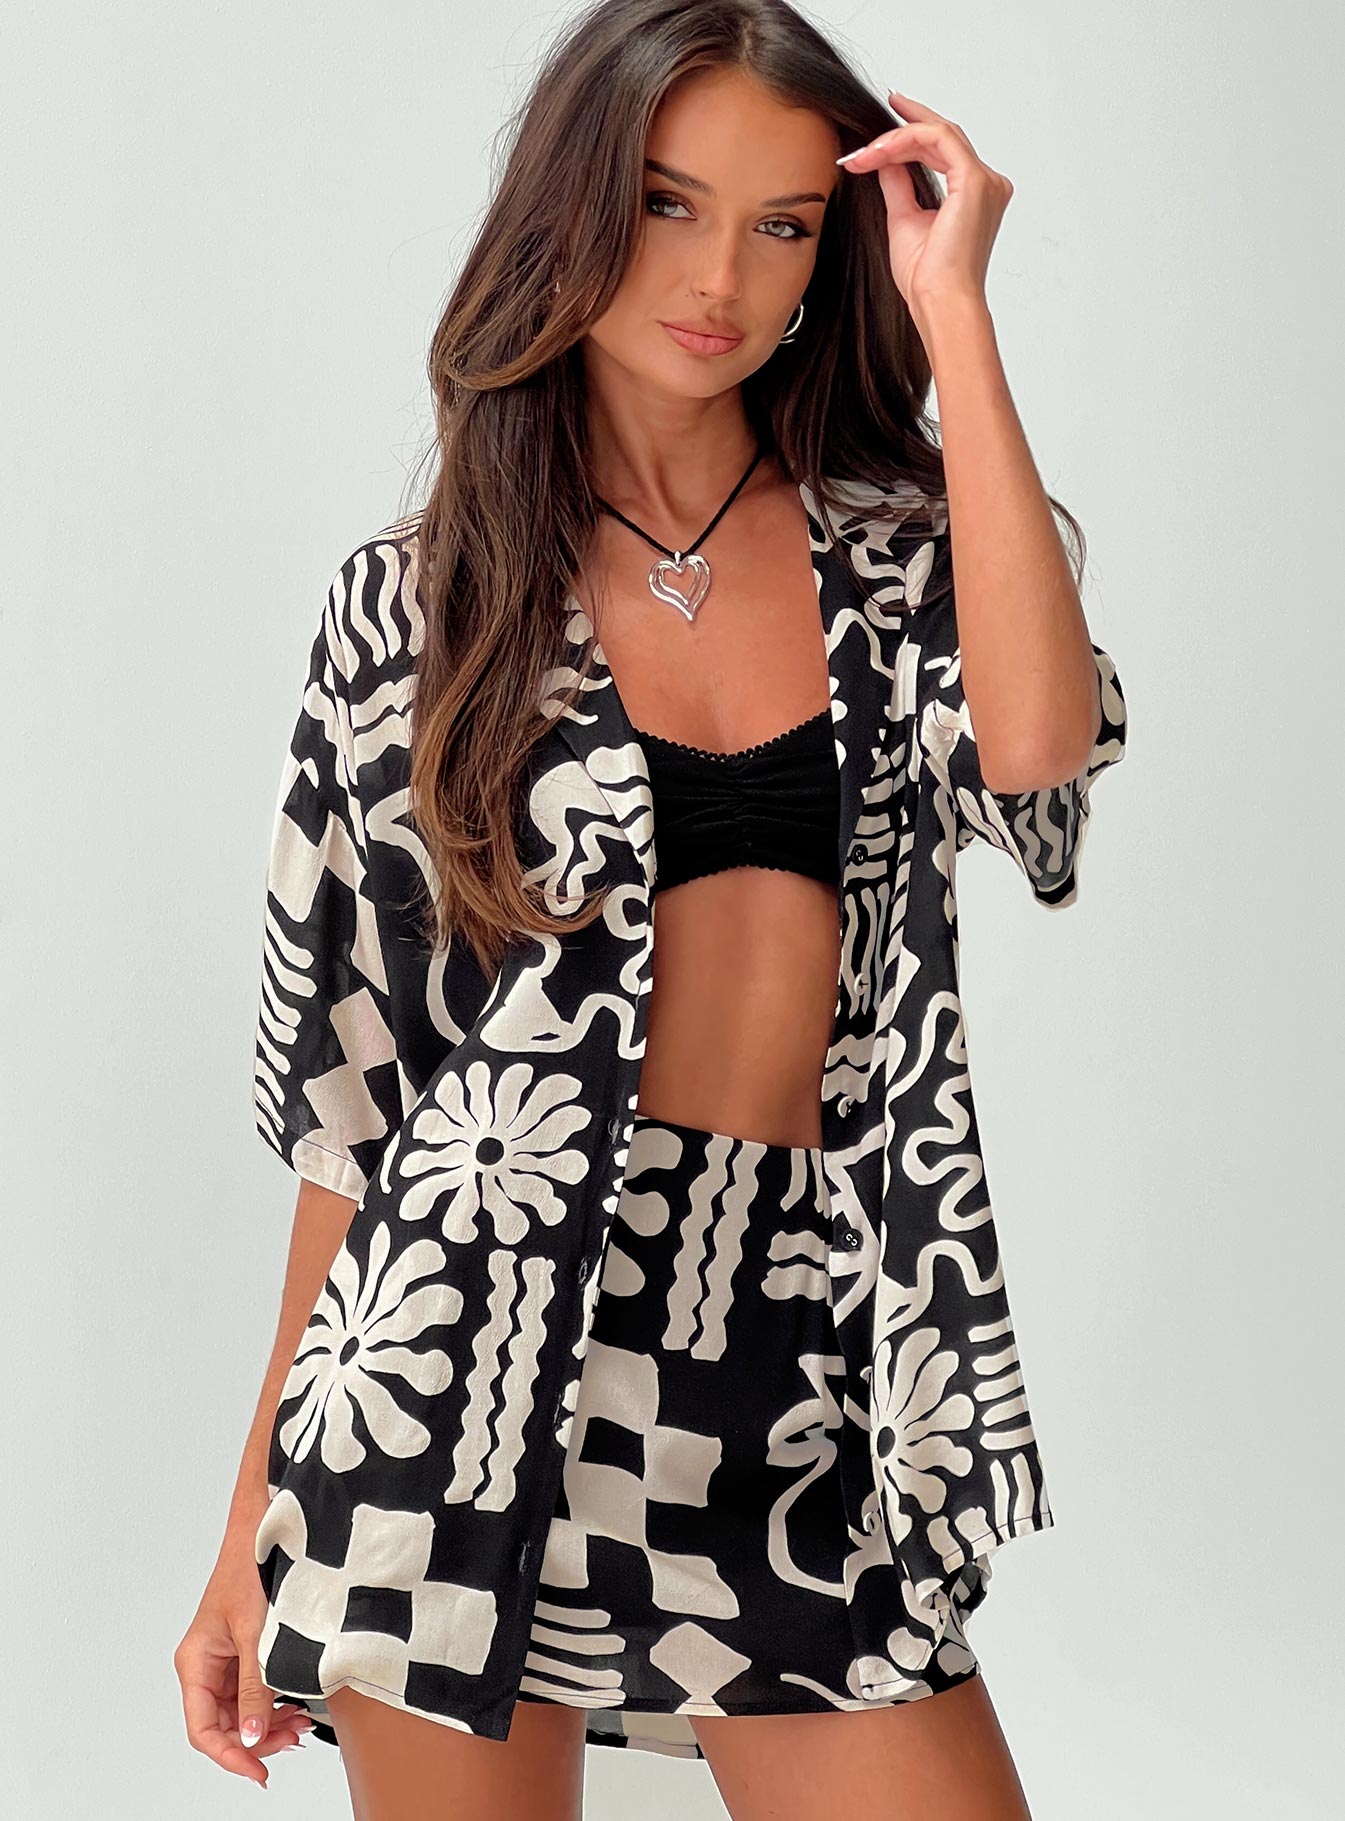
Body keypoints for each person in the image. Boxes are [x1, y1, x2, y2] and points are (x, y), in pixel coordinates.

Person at [174, 3, 1128, 1816]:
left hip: (787, 1352)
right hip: (454, 1365)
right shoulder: (417, 605)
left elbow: (1034, 757)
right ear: (574, 206)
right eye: (669, 204)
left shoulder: (900, 555)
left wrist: (956, 316)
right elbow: (352, 1109)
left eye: (782, 225)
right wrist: (252, 1527)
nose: (719, 277)